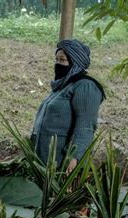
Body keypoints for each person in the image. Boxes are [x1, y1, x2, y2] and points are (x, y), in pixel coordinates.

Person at [31, 39, 106, 173]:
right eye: (57, 59)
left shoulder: (85, 86)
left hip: (62, 163)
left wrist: (74, 157)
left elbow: (85, 125)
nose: (58, 64)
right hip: (44, 162)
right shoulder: (62, 86)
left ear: (74, 62)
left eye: (63, 60)